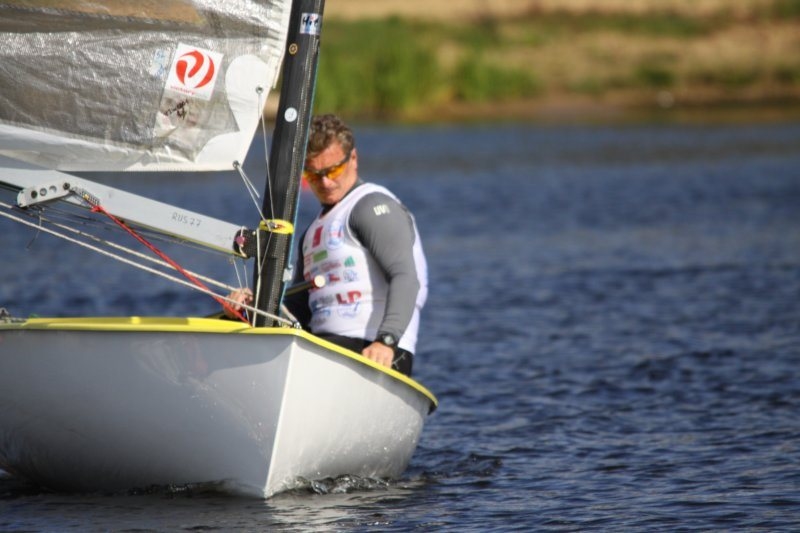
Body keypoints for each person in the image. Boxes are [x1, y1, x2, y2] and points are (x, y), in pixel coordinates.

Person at [226, 114, 427, 376]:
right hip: (324, 346)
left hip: (375, 350)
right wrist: (251, 308)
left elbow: (406, 277)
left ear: (353, 158)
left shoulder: (371, 206)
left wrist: (386, 341)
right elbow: (297, 311)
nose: (325, 183)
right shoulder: (311, 234)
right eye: (313, 174)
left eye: (333, 171)